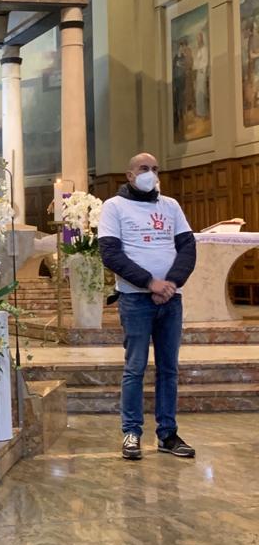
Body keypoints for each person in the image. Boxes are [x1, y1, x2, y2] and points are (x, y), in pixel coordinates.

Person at [98, 153, 197, 461]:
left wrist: (171, 283)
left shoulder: (171, 206)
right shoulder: (114, 206)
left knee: (169, 369)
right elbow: (111, 254)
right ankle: (131, 432)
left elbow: (187, 247)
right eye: (144, 169)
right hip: (135, 299)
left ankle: (167, 434)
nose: (150, 173)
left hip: (170, 299)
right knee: (135, 368)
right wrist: (149, 283)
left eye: (155, 169)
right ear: (129, 175)